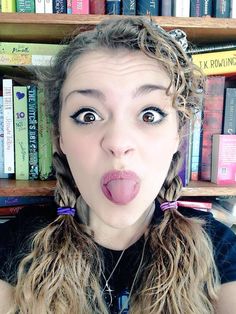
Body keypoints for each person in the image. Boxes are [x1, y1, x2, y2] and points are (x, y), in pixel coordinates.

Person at [0, 16, 236, 314]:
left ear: (178, 134)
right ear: (60, 138)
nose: (118, 142)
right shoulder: (16, 245)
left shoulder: (219, 249)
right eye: (88, 115)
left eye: (149, 114)